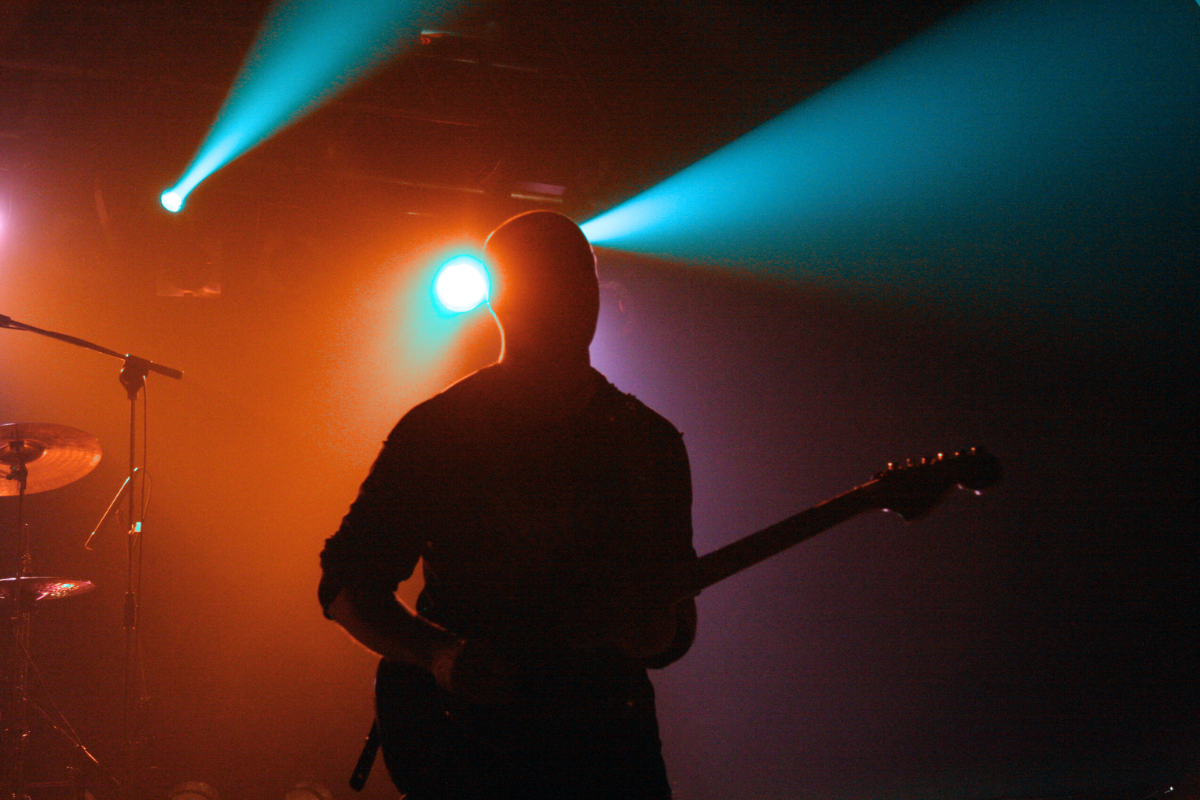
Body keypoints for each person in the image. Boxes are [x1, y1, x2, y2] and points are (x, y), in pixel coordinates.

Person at [319, 210, 697, 799]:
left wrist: (657, 631)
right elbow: (345, 583)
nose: (576, 298)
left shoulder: (649, 443)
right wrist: (444, 658)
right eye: (554, 281)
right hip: (474, 752)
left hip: (605, 747)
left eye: (584, 279)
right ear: (503, 301)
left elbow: (674, 626)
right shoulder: (439, 432)